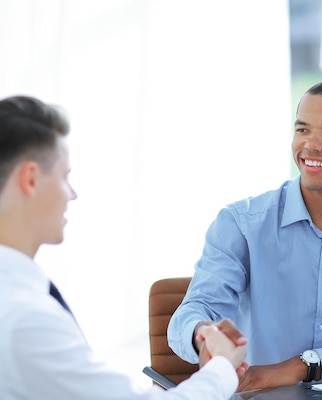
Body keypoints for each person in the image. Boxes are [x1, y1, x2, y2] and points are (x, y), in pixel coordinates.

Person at [0, 95, 248, 400]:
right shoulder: (25, 319)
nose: (73, 194)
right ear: (31, 178)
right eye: (65, 178)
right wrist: (223, 365)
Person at [167, 78, 322, 392]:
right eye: (303, 129)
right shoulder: (242, 224)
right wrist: (202, 332)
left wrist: (299, 367)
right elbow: (194, 312)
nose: (311, 145)